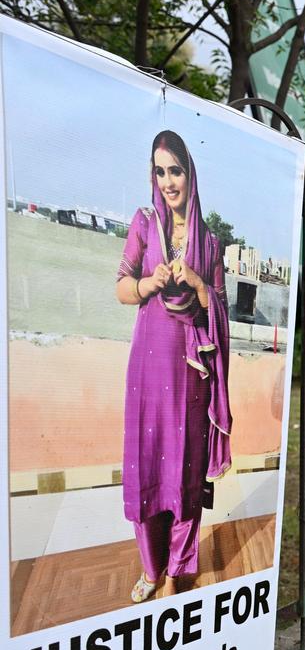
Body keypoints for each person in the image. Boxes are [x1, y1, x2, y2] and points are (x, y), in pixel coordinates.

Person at [115, 130, 232, 603]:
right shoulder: (144, 224)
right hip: (149, 363)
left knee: (184, 466)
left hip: (189, 372)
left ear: (190, 172)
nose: (168, 181)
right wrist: (149, 282)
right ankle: (151, 566)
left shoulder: (210, 241)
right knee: (148, 459)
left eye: (175, 170)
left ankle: (181, 565)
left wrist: (200, 282)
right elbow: (121, 286)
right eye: (159, 172)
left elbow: (220, 310)